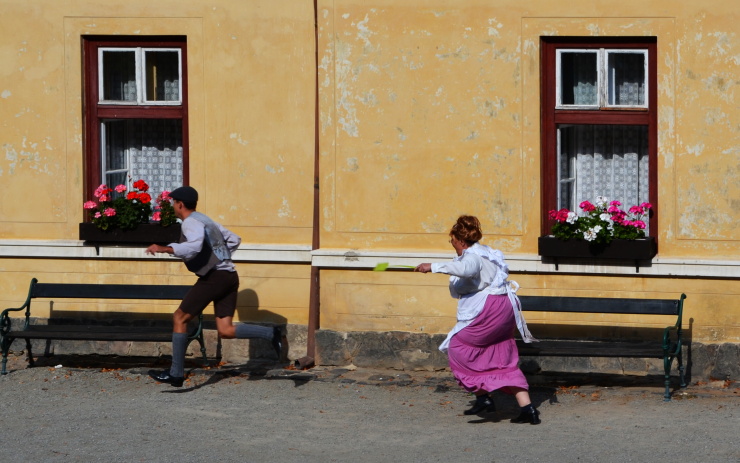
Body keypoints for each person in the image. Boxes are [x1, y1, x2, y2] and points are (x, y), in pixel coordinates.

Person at [145, 186, 282, 387]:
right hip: (229, 275)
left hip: (215, 277)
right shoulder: (205, 219)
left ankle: (176, 374)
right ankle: (271, 334)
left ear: (180, 204)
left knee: (179, 317)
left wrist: (166, 248)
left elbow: (194, 246)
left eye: (174, 203)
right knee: (225, 329)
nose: (173, 206)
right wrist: (219, 257)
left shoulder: (190, 222)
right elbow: (234, 239)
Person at [415, 215, 540, 424]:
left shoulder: (471, 256)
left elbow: (467, 269)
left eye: (452, 241)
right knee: (499, 356)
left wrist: (432, 266)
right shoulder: (488, 253)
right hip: (505, 308)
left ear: (461, 241)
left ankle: (483, 398)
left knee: (458, 347)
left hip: (489, 310)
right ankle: (527, 409)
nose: (452, 244)